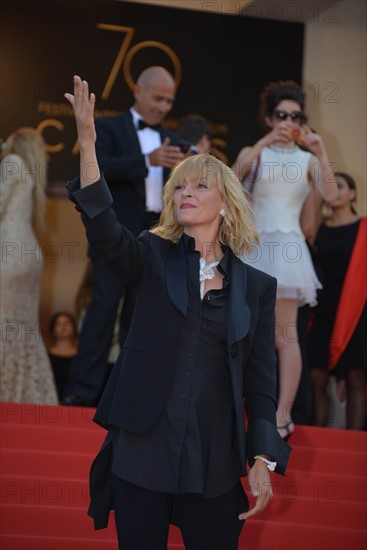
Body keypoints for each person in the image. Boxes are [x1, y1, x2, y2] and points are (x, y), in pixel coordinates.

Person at [65, 75, 291, 550]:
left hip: (214, 461)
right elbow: (105, 230)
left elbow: (261, 386)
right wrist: (89, 145)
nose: (185, 192)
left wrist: (263, 458)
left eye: (199, 185)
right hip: (142, 451)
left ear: (226, 205)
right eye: (179, 186)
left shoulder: (257, 289)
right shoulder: (150, 255)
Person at [63, 66, 184, 406]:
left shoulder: (171, 139)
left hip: (156, 239)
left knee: (141, 318)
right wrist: (146, 161)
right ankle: (82, 393)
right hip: (114, 234)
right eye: (158, 98)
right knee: (102, 311)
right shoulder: (107, 127)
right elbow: (97, 170)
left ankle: (127, 395)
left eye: (169, 101)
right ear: (138, 91)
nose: (163, 107)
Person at [233, 81, 338, 439]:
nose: (288, 121)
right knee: (242, 332)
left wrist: (322, 152)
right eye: (281, 114)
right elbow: (231, 182)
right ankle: (238, 410)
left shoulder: (307, 159)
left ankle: (282, 416)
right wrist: (264, 142)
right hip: (254, 248)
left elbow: (333, 195)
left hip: (289, 249)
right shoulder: (255, 151)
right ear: (268, 117)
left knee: (286, 337)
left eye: (295, 115)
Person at [0, 128, 58, 404]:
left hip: (8, 255)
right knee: (22, 328)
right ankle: (25, 397)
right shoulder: (31, 173)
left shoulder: (11, 164)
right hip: (28, 255)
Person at [309, 172, 366, 430]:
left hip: (357, 310)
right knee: (315, 376)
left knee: (356, 377)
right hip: (322, 308)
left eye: (340, 187)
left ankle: (356, 440)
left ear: (353, 193)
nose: (335, 191)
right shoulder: (317, 227)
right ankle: (318, 435)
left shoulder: (364, 227)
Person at [47, 312, 78, 401]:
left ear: (73, 328)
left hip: (74, 404)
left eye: (67, 323)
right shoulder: (45, 357)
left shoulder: (81, 358)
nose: (63, 327)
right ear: (52, 330)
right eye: (58, 324)